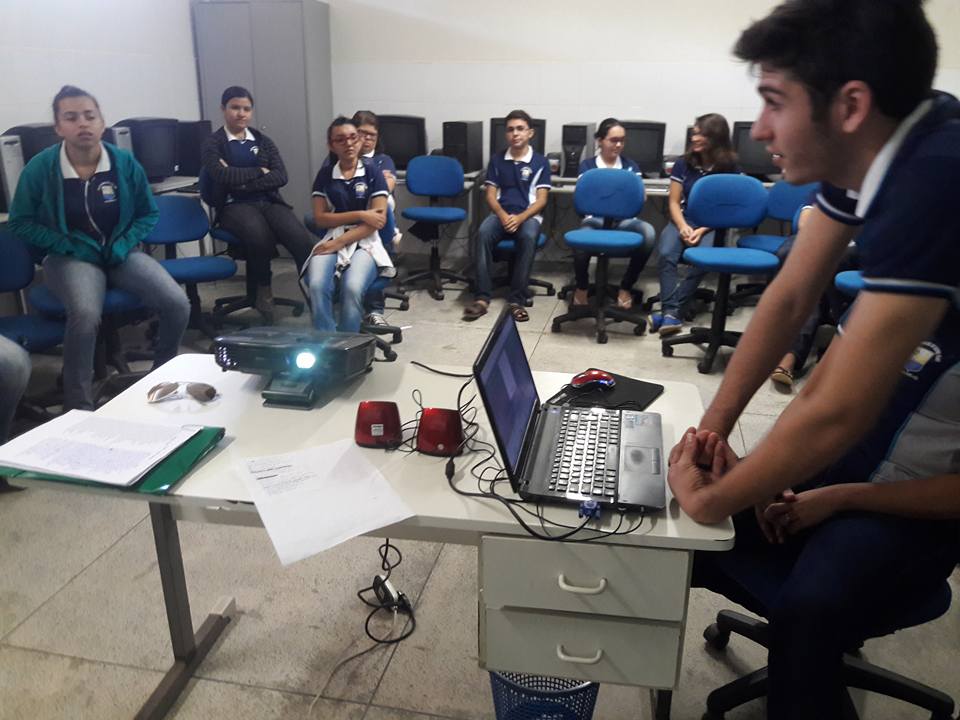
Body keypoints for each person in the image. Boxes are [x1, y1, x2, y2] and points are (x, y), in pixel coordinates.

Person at [665, 2, 960, 718]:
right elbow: (791, 297)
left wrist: (717, 497)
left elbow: (838, 410)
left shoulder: (939, 178)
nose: (760, 129)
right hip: (860, 458)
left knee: (805, 612)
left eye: (773, 101)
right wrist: (713, 431)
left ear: (849, 106)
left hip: (919, 496)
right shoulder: (884, 142)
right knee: (674, 529)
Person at [8, 85, 189, 412]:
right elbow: (21, 222)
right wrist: (66, 244)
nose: (83, 123)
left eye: (90, 116)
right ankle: (78, 405)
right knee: (86, 314)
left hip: (120, 253)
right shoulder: (40, 167)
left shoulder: (123, 162)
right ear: (58, 127)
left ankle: (161, 378)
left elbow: (148, 213)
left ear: (102, 123)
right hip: (69, 257)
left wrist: (124, 242)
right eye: (71, 117)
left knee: (177, 303)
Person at [200, 86, 314, 323]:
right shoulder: (213, 144)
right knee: (259, 237)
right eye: (235, 107)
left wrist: (240, 181)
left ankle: (315, 292)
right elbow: (222, 176)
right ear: (223, 109)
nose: (241, 113)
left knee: (301, 240)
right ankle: (263, 291)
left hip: (268, 201)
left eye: (246, 109)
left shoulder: (262, 141)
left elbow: (281, 176)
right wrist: (259, 171)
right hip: (232, 206)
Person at [650, 114, 739, 336]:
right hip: (683, 220)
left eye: (701, 134)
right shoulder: (684, 163)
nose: (694, 138)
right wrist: (682, 226)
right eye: (694, 133)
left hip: (712, 224)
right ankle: (672, 312)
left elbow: (728, 206)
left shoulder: (729, 166)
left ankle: (670, 313)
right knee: (666, 253)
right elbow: (673, 201)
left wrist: (702, 229)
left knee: (702, 260)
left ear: (716, 137)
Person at [304, 117, 394, 333]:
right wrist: (361, 214)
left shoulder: (372, 172)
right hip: (333, 236)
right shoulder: (325, 174)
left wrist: (340, 241)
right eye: (341, 139)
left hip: (366, 241)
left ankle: (349, 342)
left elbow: (377, 221)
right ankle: (327, 340)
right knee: (316, 285)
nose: (349, 143)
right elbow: (320, 218)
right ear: (331, 145)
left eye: (354, 137)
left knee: (352, 288)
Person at [463, 110, 551, 323]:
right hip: (501, 215)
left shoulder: (540, 162)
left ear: (530, 133)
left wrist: (520, 218)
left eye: (520, 129)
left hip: (528, 217)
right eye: (510, 129)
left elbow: (541, 200)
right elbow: (490, 195)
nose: (515, 133)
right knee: (483, 233)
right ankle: (482, 298)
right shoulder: (497, 160)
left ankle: (516, 300)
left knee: (528, 236)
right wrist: (503, 215)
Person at [571, 118, 656, 311]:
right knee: (581, 239)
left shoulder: (630, 166)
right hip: (594, 221)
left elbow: (640, 197)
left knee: (648, 234)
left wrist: (607, 194)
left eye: (622, 141)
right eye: (613, 140)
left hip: (624, 222)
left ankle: (626, 287)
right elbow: (584, 198)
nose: (618, 145)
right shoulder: (588, 166)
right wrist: (617, 194)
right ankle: (582, 286)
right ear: (600, 140)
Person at [352, 110, 400, 328]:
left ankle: (374, 309)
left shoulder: (383, 160)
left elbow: (386, 188)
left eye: (372, 134)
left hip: (376, 217)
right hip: (348, 216)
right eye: (362, 133)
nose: (367, 139)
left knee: (375, 246)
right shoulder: (341, 159)